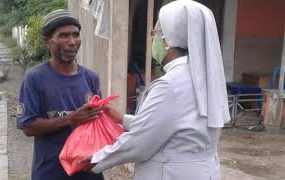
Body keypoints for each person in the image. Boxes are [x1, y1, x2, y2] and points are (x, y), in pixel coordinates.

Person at [81, 1, 231, 180]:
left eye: (155, 33)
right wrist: (121, 118)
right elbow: (174, 126)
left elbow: (141, 142)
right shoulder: (205, 77)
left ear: (169, 40)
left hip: (170, 172)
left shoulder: (170, 85)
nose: (152, 39)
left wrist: (95, 159)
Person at [16, 9, 105, 180]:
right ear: (47, 42)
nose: (72, 42)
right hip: (51, 172)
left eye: (76, 34)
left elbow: (97, 124)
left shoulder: (91, 78)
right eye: (64, 35)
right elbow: (28, 126)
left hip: (89, 172)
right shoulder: (35, 78)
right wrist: (71, 118)